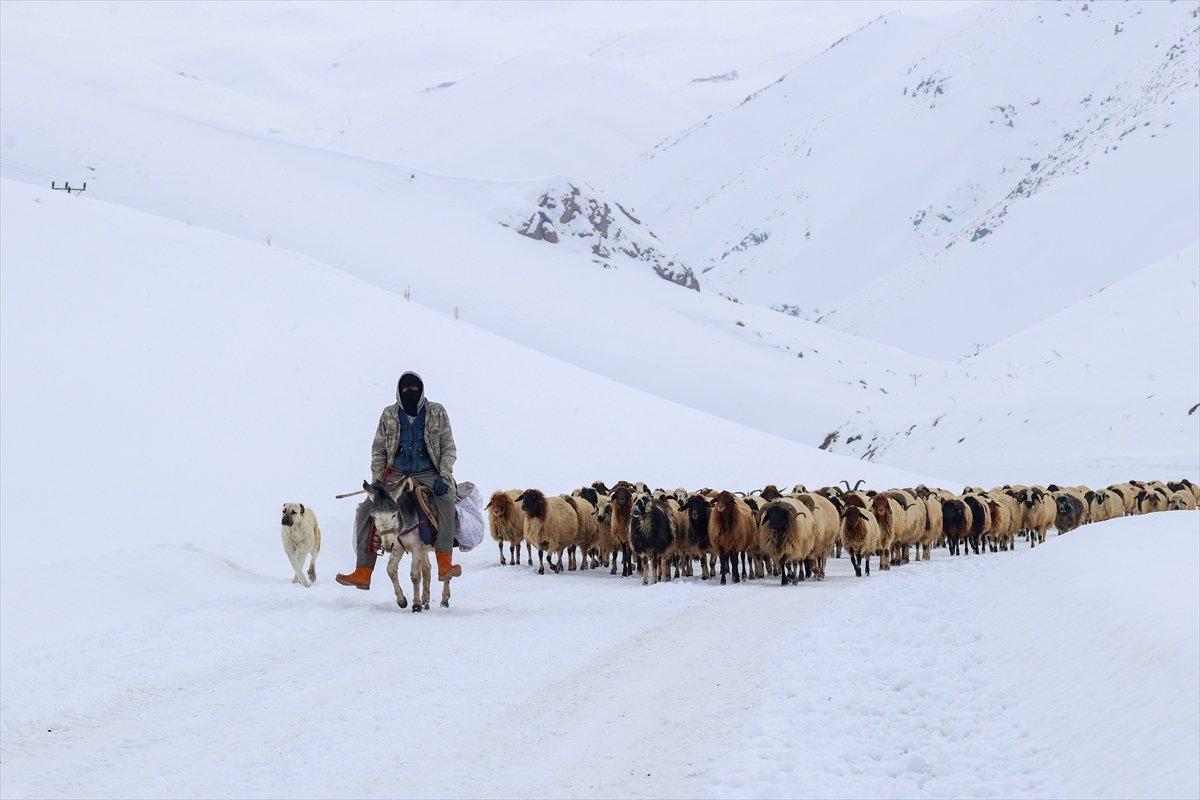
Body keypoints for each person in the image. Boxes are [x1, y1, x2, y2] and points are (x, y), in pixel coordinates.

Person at [336, 371, 461, 589]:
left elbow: (448, 447)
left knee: (446, 501)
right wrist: (378, 481)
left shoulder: (437, 412)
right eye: (405, 389)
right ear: (398, 391)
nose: (409, 392)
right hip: (395, 474)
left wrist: (445, 474)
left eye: (414, 389)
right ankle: (363, 571)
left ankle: (444, 562)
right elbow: (378, 450)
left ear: (421, 390)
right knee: (368, 508)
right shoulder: (389, 415)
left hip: (428, 472)